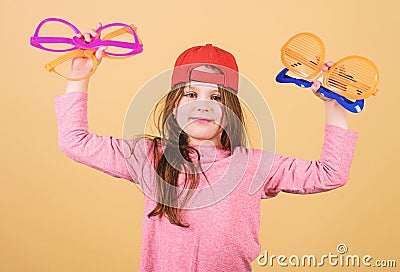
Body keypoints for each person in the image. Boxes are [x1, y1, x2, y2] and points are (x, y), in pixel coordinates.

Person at [53, 23, 359, 272]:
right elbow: (74, 141)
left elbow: (331, 174)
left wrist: (334, 106)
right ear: (173, 106)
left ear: (230, 110)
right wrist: (80, 75)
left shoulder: (254, 166)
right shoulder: (149, 156)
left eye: (216, 98)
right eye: (190, 94)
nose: (202, 106)